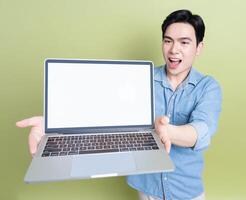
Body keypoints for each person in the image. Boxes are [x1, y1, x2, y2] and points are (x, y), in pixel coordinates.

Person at [16, 9, 222, 200]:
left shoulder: (207, 87)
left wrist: (167, 131)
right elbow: (101, 112)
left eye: (184, 42)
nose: (174, 49)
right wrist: (54, 124)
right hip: (147, 188)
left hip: (187, 191)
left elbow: (202, 130)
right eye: (168, 41)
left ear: (198, 47)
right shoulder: (141, 79)